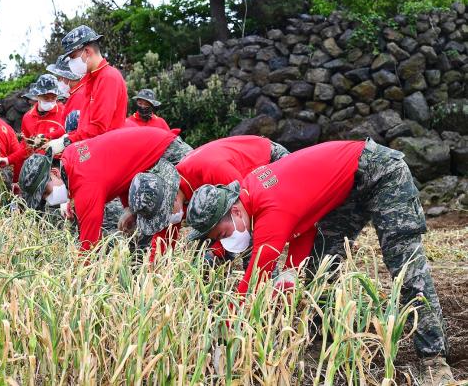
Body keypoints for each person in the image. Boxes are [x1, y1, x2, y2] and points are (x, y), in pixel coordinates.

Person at [185, 139, 453, 385]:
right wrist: (291, 270)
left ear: (234, 210)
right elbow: (306, 223)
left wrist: (225, 336)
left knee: (406, 267)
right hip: (344, 192)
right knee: (320, 268)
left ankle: (434, 361)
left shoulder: (269, 208)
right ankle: (325, 339)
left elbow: (255, 278)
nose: (225, 242)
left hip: (379, 172)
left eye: (222, 234)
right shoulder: (251, 192)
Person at [18, 127, 192, 251]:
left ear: (55, 172)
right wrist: (128, 208)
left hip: (168, 154)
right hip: (157, 149)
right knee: (149, 229)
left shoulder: (86, 185)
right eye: (44, 198)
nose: (49, 199)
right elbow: (121, 168)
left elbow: (89, 246)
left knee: (190, 217)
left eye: (46, 192)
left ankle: (163, 276)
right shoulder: (71, 154)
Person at [127, 135, 289, 260]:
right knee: (204, 247)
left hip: (270, 164)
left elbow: (246, 211)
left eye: (163, 215)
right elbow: (165, 235)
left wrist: (217, 250)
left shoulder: (212, 169)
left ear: (172, 198)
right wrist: (153, 272)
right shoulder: (176, 189)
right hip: (240, 190)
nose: (164, 220)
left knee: (253, 247)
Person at [45, 25, 127, 155]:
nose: (71, 63)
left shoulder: (108, 77)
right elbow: (86, 124)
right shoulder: (91, 79)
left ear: (87, 52)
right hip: (92, 150)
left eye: (73, 57)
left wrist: (65, 141)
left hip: (106, 152)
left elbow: (99, 128)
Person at [0, 75, 66, 185]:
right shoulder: (28, 117)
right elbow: (25, 148)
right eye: (46, 97)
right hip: (37, 165)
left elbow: (67, 132)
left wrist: (45, 137)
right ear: (38, 96)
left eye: (53, 97)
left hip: (59, 163)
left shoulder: (63, 111)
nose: (50, 101)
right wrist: (8, 160)